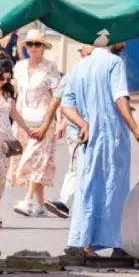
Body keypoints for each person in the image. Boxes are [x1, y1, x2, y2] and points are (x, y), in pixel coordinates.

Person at [61, 42, 139, 256]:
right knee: (114, 189)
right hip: (112, 137)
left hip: (89, 140)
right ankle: (118, 243)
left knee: (88, 188)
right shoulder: (114, 63)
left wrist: (83, 124)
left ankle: (85, 244)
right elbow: (120, 97)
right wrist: (134, 128)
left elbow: (66, 105)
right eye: (121, 39)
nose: (124, 43)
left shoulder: (79, 66)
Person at [7, 30, 63, 217]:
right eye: (29, 44)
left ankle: (28, 200)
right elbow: (14, 93)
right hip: (23, 122)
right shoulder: (19, 66)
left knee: (35, 159)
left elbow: (57, 97)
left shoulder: (50, 68)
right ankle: (39, 205)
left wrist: (60, 121)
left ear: (43, 47)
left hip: (43, 123)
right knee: (35, 161)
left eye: (37, 44)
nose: (32, 47)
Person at [0, 53, 31, 230]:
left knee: (0, 180)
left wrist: (27, 129)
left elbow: (13, 113)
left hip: (6, 142)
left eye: (8, 78)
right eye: (1, 77)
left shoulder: (8, 91)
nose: (4, 81)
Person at [44, 44, 94, 219]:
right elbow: (59, 101)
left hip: (96, 129)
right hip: (77, 130)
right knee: (76, 166)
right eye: (89, 54)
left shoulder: (100, 75)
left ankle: (84, 204)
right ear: (83, 55)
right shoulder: (73, 74)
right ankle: (65, 202)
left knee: (89, 168)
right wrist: (51, 124)